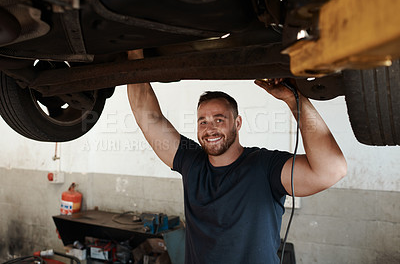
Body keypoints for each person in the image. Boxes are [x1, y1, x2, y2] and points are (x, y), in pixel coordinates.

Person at [127, 50, 347, 264]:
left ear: (238, 123)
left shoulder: (264, 166)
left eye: (219, 120)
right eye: (202, 121)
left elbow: (331, 170)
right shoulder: (192, 161)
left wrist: (295, 100)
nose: (209, 128)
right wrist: (134, 49)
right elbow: (148, 116)